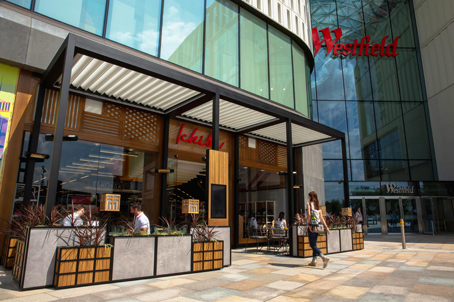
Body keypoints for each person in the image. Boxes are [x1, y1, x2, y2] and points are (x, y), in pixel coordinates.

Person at [306, 191, 330, 269]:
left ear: (311, 197)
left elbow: (309, 215)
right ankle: (314, 261)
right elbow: (321, 217)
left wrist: (308, 224)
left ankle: (323, 258)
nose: (308, 197)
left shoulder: (309, 204)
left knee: (312, 245)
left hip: (312, 225)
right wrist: (326, 227)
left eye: (309, 196)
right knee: (314, 244)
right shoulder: (318, 206)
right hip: (318, 225)